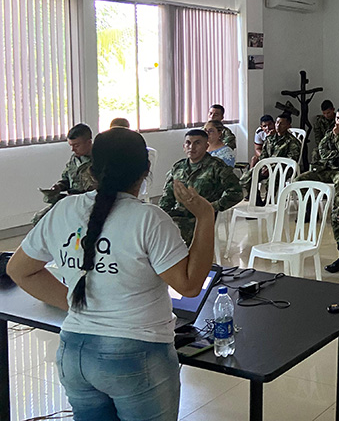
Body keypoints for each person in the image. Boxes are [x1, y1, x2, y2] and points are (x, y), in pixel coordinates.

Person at [8, 128, 216, 421]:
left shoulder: (63, 209)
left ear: (92, 169)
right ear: (146, 169)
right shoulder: (149, 219)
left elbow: (19, 270)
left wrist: (76, 304)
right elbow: (190, 285)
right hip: (136, 355)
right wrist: (205, 216)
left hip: (75, 351)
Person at [160, 129, 242, 245]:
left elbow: (236, 193)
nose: (191, 147)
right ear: (184, 146)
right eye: (188, 143)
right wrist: (161, 214)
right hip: (179, 214)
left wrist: (211, 207)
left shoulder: (217, 167)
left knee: (174, 233)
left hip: (200, 217)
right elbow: (167, 195)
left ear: (206, 146)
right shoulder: (178, 167)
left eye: (197, 143)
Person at [32, 124, 96, 226]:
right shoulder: (74, 159)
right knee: (39, 219)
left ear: (88, 142)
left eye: (76, 145)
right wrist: (58, 187)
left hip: (88, 202)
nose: (73, 149)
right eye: (71, 145)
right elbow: (66, 178)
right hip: (71, 200)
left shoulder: (99, 160)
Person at [241, 112, 303, 198]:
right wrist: (264, 166)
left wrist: (271, 167)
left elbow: (291, 160)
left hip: (283, 169)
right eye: (277, 123)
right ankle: (256, 198)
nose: (278, 126)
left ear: (288, 125)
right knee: (247, 177)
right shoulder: (270, 138)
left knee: (271, 180)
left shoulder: (292, 142)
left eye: (282, 124)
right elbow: (263, 155)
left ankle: (269, 200)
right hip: (268, 167)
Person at [300, 106, 339, 183]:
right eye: (337, 118)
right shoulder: (331, 132)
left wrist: (337, 136)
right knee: (299, 180)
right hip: (326, 168)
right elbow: (321, 149)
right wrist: (335, 154)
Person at [311, 100, 336, 167]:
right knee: (315, 152)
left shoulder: (338, 119)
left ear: (333, 110)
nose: (326, 115)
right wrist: (322, 147)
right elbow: (317, 136)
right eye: (324, 113)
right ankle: (315, 170)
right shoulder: (319, 121)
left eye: (328, 113)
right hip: (323, 144)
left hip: (336, 145)